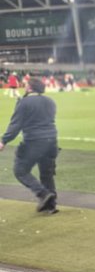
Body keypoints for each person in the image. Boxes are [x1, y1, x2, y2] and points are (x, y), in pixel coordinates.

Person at [0, 77, 59, 213]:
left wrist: (3, 141)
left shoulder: (24, 102)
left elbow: (16, 124)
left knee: (20, 170)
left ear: (29, 88)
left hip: (34, 141)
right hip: (52, 141)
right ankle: (51, 205)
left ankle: (43, 194)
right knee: (47, 173)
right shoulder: (50, 101)